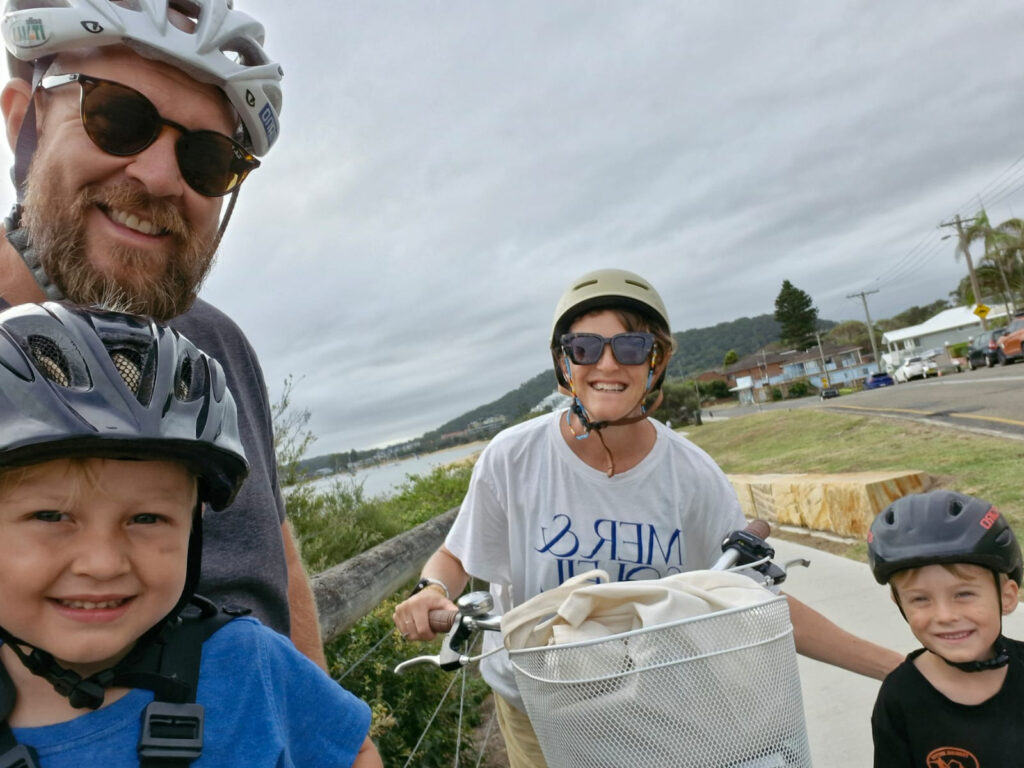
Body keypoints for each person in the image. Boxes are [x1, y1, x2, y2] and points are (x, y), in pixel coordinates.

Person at [393, 268, 904, 766]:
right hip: (537, 704)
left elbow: (757, 597)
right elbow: (458, 553)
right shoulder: (514, 456)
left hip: (650, 704)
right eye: (585, 347)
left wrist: (898, 671)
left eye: (631, 348)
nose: (607, 365)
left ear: (655, 361)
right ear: (565, 362)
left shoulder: (691, 475)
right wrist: (432, 590)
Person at [0, 0, 325, 666]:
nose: (158, 177)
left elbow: (277, 568)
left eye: (208, 159)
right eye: (117, 118)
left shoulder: (218, 346)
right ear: (22, 122)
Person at [0, 301, 381, 768]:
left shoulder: (246, 661)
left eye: (147, 519)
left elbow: (351, 750)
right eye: (50, 516)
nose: (102, 563)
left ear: (194, 527)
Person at [867, 490, 1024, 767]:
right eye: (920, 599)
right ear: (900, 604)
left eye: (963, 594)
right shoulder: (900, 698)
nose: (944, 615)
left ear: (1008, 596)